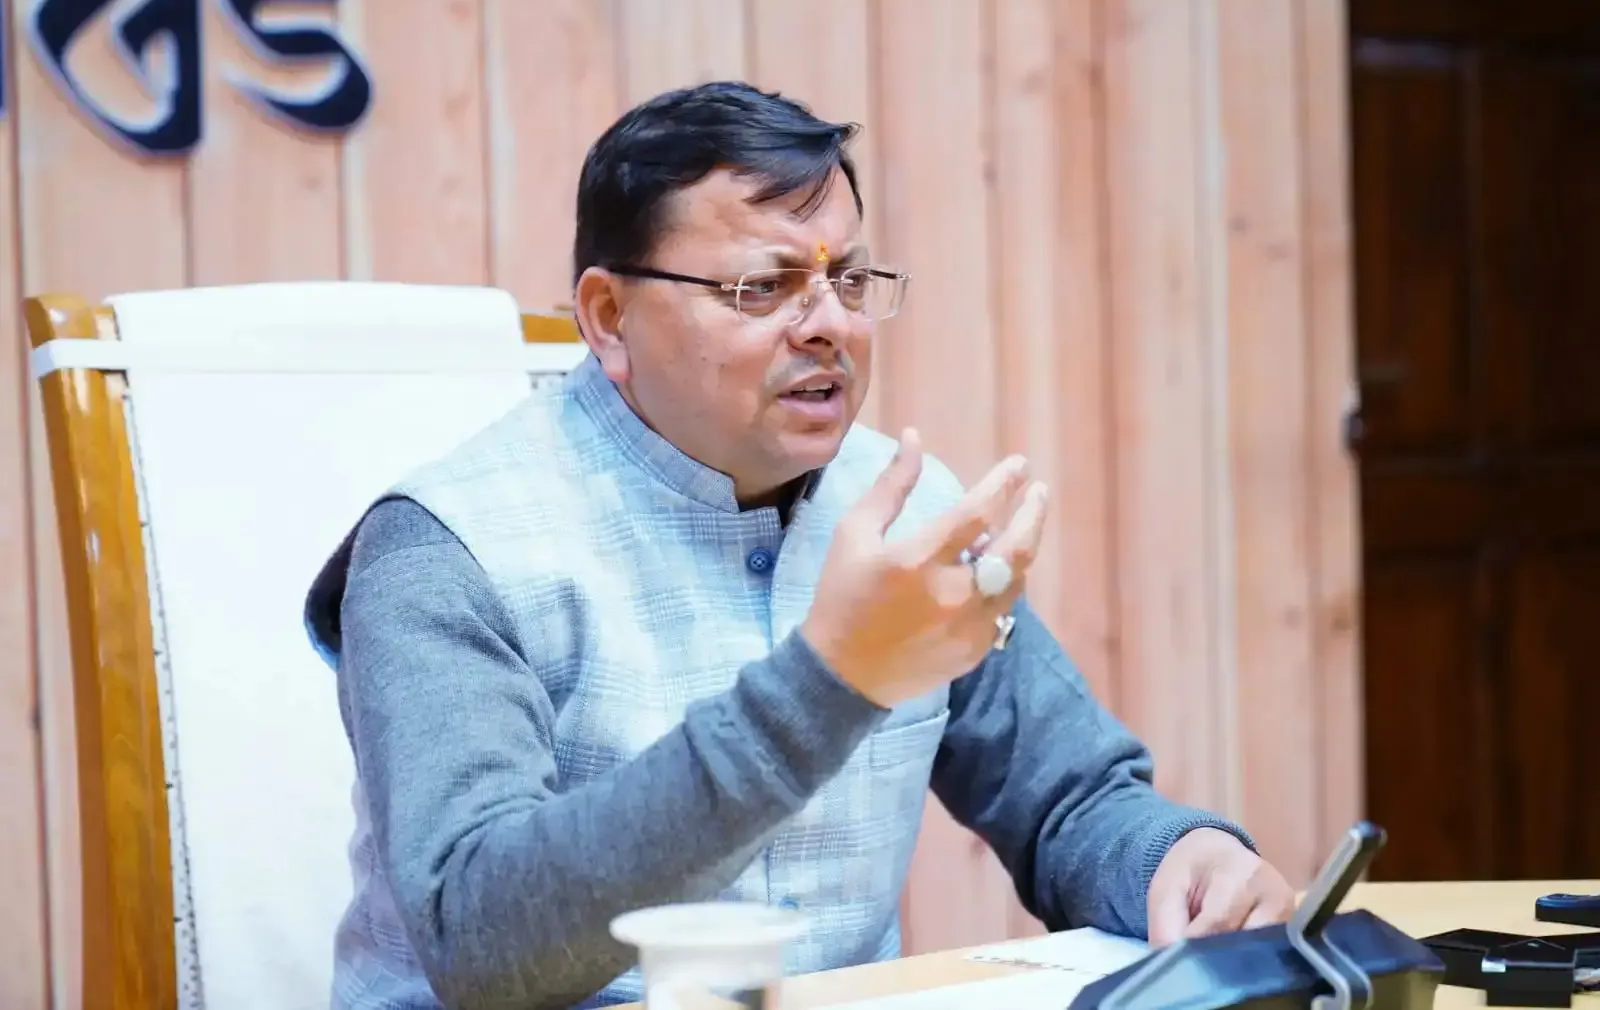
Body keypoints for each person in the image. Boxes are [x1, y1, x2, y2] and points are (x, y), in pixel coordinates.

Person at [304, 80, 1295, 1010]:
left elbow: (1068, 798)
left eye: (848, 280)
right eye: (763, 286)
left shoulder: (903, 508)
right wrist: (830, 681)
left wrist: (1174, 859)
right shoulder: (445, 549)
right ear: (609, 318)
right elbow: (480, 941)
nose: (829, 326)